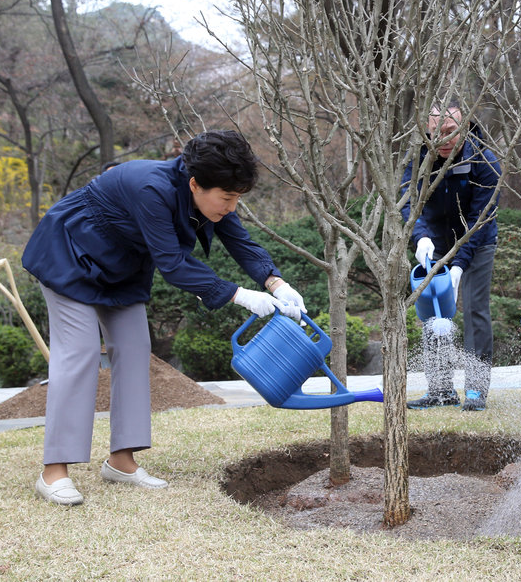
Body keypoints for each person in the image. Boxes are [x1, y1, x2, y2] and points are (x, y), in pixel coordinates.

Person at [22, 130, 308, 506]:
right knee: (79, 353)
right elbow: (173, 265)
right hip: (70, 256)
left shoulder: (209, 194)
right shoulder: (151, 188)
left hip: (121, 267)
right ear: (195, 184)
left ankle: (121, 461)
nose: (232, 207)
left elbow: (238, 238)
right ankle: (54, 471)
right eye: (227, 198)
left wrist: (275, 283)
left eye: (237, 197)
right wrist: (241, 296)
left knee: (135, 348)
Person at [400, 102, 501, 412]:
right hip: (436, 243)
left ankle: (475, 391)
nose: (444, 140)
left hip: (477, 241)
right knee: (432, 311)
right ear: (427, 130)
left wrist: (458, 265)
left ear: (463, 127)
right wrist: (421, 235)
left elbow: (481, 217)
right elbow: (408, 199)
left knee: (474, 311)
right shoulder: (418, 157)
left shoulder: (484, 159)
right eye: (436, 133)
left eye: (450, 132)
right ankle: (441, 390)